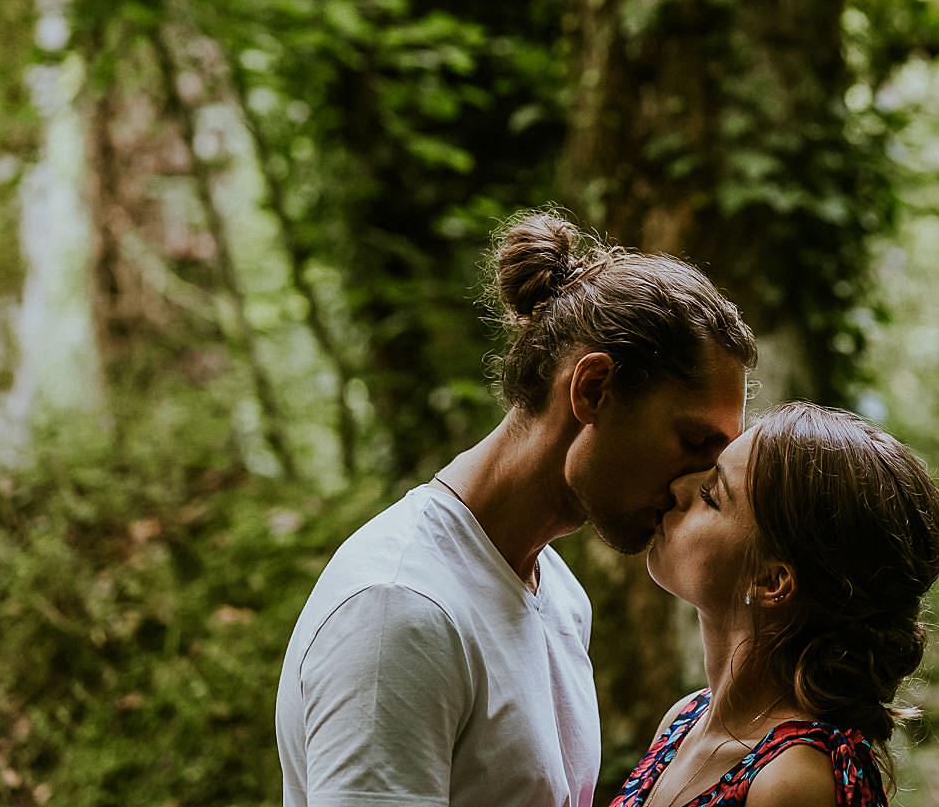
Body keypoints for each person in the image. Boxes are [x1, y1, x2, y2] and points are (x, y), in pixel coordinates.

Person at [275, 210, 757, 807]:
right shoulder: (397, 611)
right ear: (593, 390)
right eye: (691, 442)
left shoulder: (557, 593)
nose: (696, 482)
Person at [612, 402, 939, 807]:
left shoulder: (794, 780)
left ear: (772, 582)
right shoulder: (685, 719)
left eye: (711, 495)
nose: (679, 488)